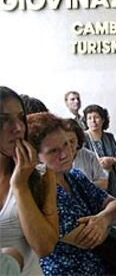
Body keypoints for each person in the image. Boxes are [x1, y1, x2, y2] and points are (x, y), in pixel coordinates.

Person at [27, 112, 116, 275]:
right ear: (34, 157)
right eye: (53, 151)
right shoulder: (37, 192)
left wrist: (103, 219)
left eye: (66, 144)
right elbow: (88, 240)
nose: (65, 154)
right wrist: (107, 220)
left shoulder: (74, 176)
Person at [0, 86, 59, 275]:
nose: (17, 128)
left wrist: (19, 186)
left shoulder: (41, 174)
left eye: (20, 117)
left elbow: (45, 246)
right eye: (4, 119)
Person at [84, 104, 116, 199]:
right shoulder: (83, 138)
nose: (93, 121)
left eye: (96, 117)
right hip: (93, 182)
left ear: (103, 119)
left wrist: (112, 160)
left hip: (111, 181)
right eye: (89, 118)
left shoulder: (109, 137)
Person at [63, 118, 109, 190]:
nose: (69, 146)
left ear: (78, 140)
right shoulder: (56, 159)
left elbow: (103, 182)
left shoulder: (89, 156)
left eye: (72, 141)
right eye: (65, 142)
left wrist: (83, 188)